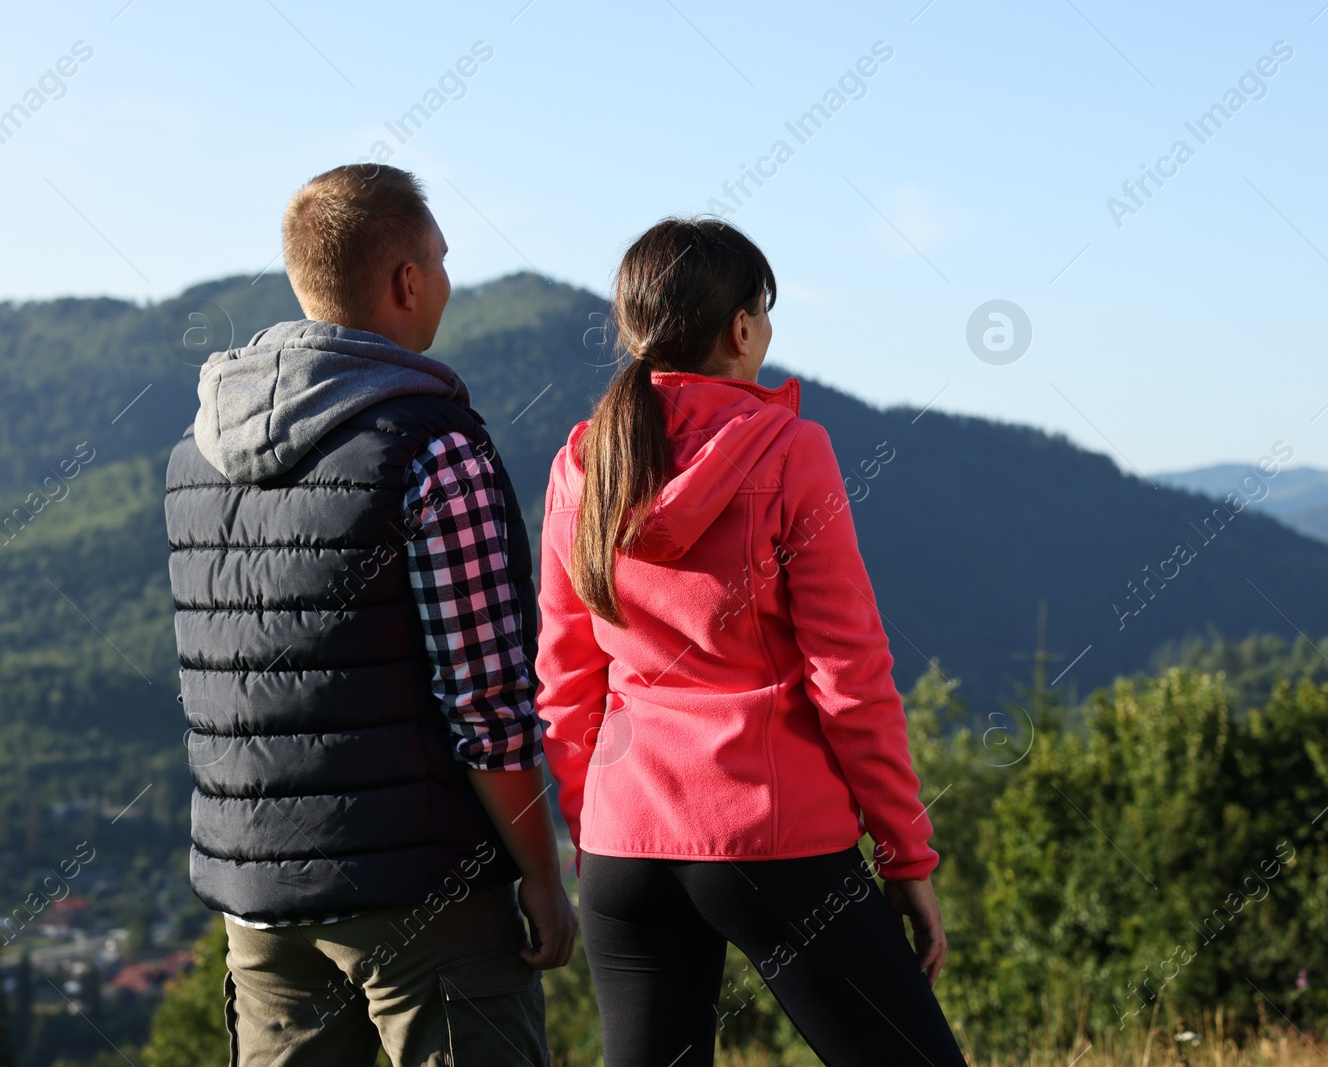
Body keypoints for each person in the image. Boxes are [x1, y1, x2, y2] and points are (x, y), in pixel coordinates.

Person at [165, 163, 576, 1066]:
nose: (447, 280)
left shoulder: (194, 457)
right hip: (425, 897)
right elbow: (488, 702)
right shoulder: (435, 446)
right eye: (441, 259)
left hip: (255, 899)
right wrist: (542, 872)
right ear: (406, 282)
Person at [535, 217, 969, 1065]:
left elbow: (563, 679)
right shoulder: (793, 451)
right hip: (773, 839)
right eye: (764, 311)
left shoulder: (581, 465)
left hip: (624, 845)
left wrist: (592, 823)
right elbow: (850, 675)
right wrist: (905, 851)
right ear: (740, 328)